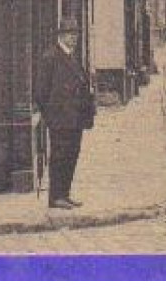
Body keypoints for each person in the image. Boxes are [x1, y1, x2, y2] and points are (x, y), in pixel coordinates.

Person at [34, 20, 96, 210]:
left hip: (75, 119)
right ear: (60, 36)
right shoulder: (51, 57)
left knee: (71, 155)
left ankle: (65, 194)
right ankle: (55, 197)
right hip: (60, 120)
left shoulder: (71, 57)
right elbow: (41, 92)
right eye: (70, 34)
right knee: (60, 157)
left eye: (75, 34)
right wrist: (51, 116)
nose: (74, 37)